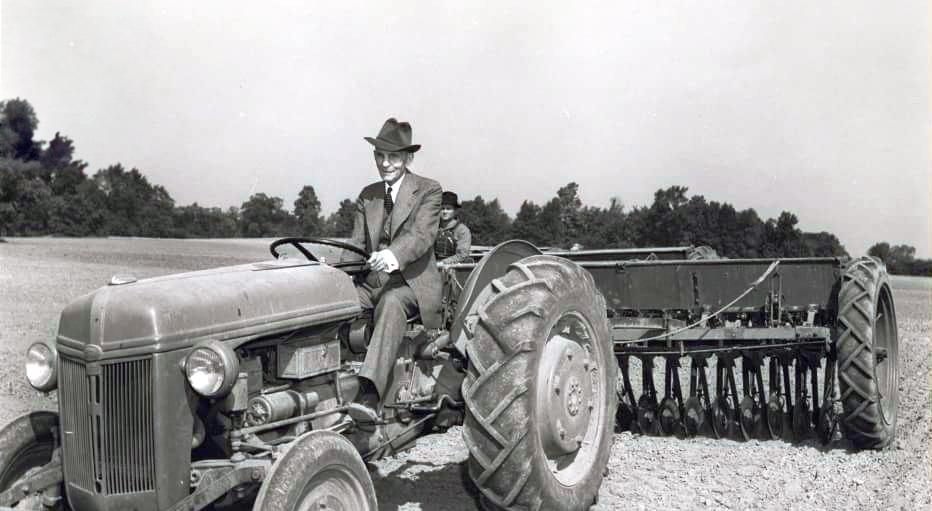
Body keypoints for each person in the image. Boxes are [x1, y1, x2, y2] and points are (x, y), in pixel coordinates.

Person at [350, 118, 443, 409]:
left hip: (411, 284)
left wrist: (391, 255)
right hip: (371, 284)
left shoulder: (429, 190)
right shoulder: (368, 195)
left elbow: (421, 236)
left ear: (408, 158)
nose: (385, 163)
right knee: (337, 302)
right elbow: (355, 246)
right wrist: (335, 278)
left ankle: (369, 393)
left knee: (391, 302)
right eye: (380, 155)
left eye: (393, 157)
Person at [434, 191, 472, 267]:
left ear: (455, 211)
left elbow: (462, 255)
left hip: (453, 268)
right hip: (432, 267)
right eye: (442, 208)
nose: (445, 212)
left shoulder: (462, 230)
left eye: (448, 209)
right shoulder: (432, 227)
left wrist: (442, 263)